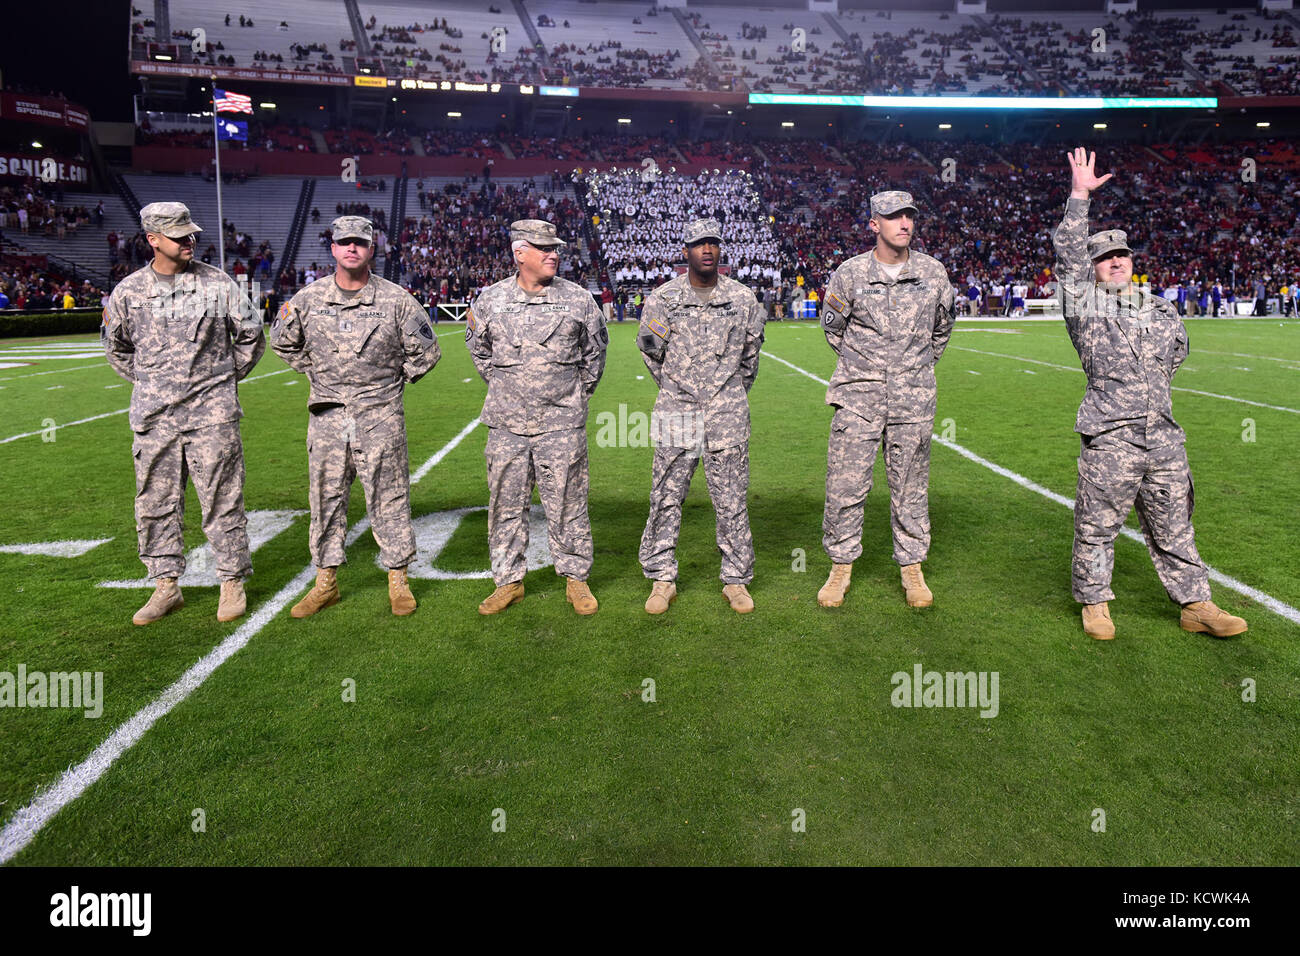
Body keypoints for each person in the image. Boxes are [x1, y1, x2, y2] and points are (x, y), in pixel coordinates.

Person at [1052, 147, 1247, 640]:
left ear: (1132, 261)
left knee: (1175, 524)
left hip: (1162, 435)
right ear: (1094, 268)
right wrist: (1079, 197)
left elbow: (1174, 358)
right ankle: (1095, 604)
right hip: (1111, 434)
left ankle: (1195, 604)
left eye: (1122, 255)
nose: (1115, 262)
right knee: (1098, 524)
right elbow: (1069, 258)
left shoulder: (1162, 310)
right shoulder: (1085, 306)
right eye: (1105, 258)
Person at [102, 201, 265, 625]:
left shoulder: (218, 284)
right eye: (179, 236)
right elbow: (116, 347)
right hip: (154, 417)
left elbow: (250, 335)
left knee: (222, 499)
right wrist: (151, 384)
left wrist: (221, 381)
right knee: (155, 502)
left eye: (192, 233)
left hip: (211, 415)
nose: (190, 241)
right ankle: (165, 585)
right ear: (153, 240)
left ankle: (231, 581)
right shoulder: (129, 292)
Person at [271, 216, 440, 618]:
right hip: (328, 418)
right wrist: (315, 373)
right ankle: (325, 582)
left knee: (389, 497)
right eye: (344, 242)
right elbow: (281, 341)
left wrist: (389, 385)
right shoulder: (308, 300)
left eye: (359, 243)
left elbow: (427, 352)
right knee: (325, 500)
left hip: (379, 417)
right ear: (332, 248)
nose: (351, 248)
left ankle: (397, 579)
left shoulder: (397, 300)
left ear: (371, 249)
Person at [816, 190, 955, 610]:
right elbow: (833, 329)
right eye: (894, 217)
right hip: (858, 398)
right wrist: (868, 370)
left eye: (909, 216)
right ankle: (840, 567)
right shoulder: (850, 273)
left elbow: (941, 331)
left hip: (913, 402)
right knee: (845, 486)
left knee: (910, 488)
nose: (904, 224)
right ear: (874, 224)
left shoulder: (933, 273)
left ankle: (912, 568)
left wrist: (910, 372)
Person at [466, 219, 607, 616]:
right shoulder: (490, 301)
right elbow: (480, 355)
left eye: (555, 248)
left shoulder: (579, 299)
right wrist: (510, 391)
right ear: (519, 253)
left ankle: (576, 580)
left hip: (561, 425)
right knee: (505, 505)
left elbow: (594, 358)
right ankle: (508, 582)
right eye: (543, 248)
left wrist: (570, 396)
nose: (553, 254)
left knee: (568, 504)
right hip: (507, 425)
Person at [636, 218, 765, 615]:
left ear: (720, 249)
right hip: (677, 412)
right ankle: (661, 577)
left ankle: (736, 579)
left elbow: (749, 359)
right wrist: (682, 390)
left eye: (713, 243)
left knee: (731, 500)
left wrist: (723, 394)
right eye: (698, 244)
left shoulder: (743, 299)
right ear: (685, 251)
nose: (706, 249)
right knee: (666, 496)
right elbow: (651, 353)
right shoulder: (663, 299)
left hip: (727, 413)